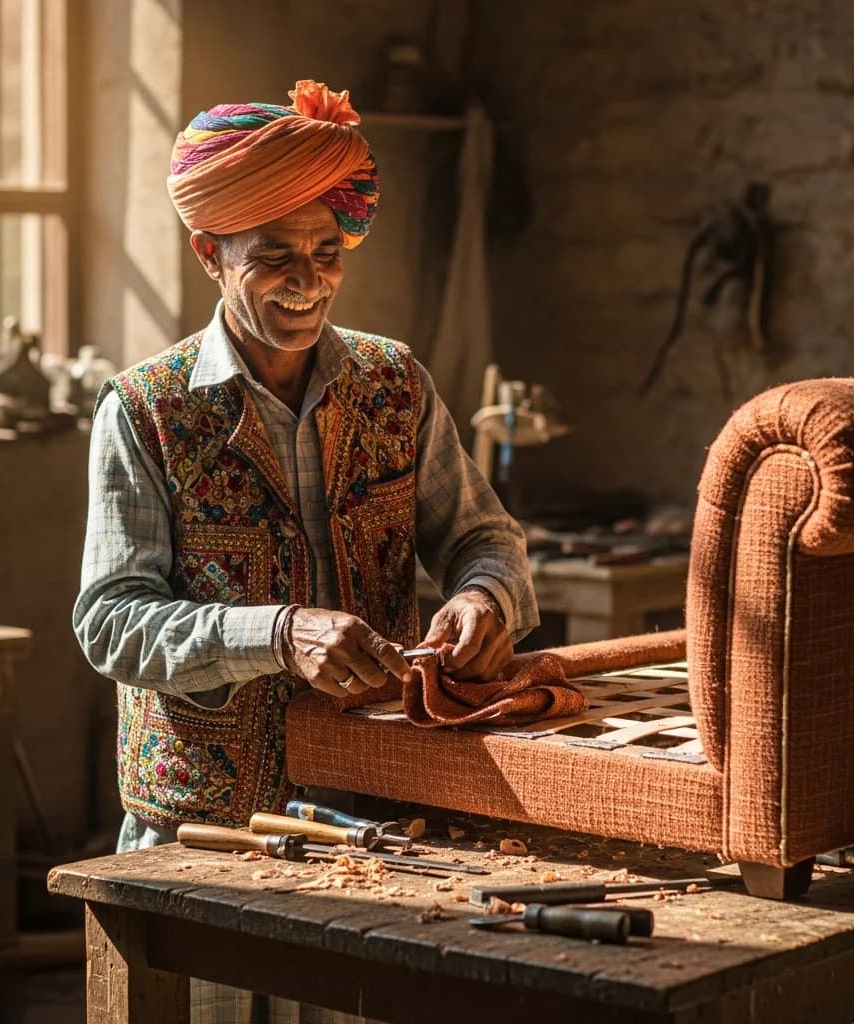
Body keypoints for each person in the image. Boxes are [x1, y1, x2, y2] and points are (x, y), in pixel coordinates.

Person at [72, 79, 538, 1024]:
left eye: (327, 254)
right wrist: (278, 634)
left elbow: (485, 537)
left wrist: (486, 599)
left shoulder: (393, 382)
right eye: (273, 257)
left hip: (377, 811)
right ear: (211, 252)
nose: (309, 281)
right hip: (204, 834)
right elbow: (111, 620)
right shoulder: (146, 411)